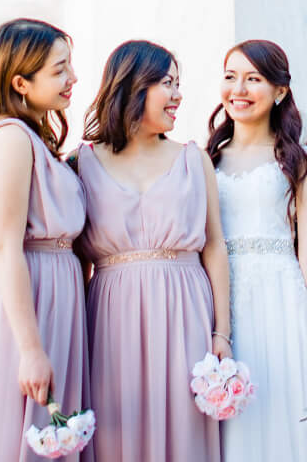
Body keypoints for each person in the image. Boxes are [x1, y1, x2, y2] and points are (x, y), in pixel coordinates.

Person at [0, 19, 89, 462]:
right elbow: (6, 245)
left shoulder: (36, 139)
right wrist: (29, 348)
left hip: (56, 294)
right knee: (15, 431)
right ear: (21, 82)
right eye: (60, 69)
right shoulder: (9, 138)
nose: (73, 79)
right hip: (28, 302)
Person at [73, 40, 227, 462]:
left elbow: (214, 248)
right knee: (116, 431)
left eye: (179, 84)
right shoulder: (80, 162)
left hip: (185, 311)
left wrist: (221, 332)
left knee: (184, 432)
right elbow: (74, 258)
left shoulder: (194, 159)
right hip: (110, 317)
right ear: (133, 86)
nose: (178, 95)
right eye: (167, 83)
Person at [205, 39, 307, 461]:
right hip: (223, 302)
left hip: (283, 302)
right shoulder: (205, 158)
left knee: (289, 412)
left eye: (253, 79)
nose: (239, 89)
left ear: (280, 91)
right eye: (231, 77)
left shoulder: (302, 161)